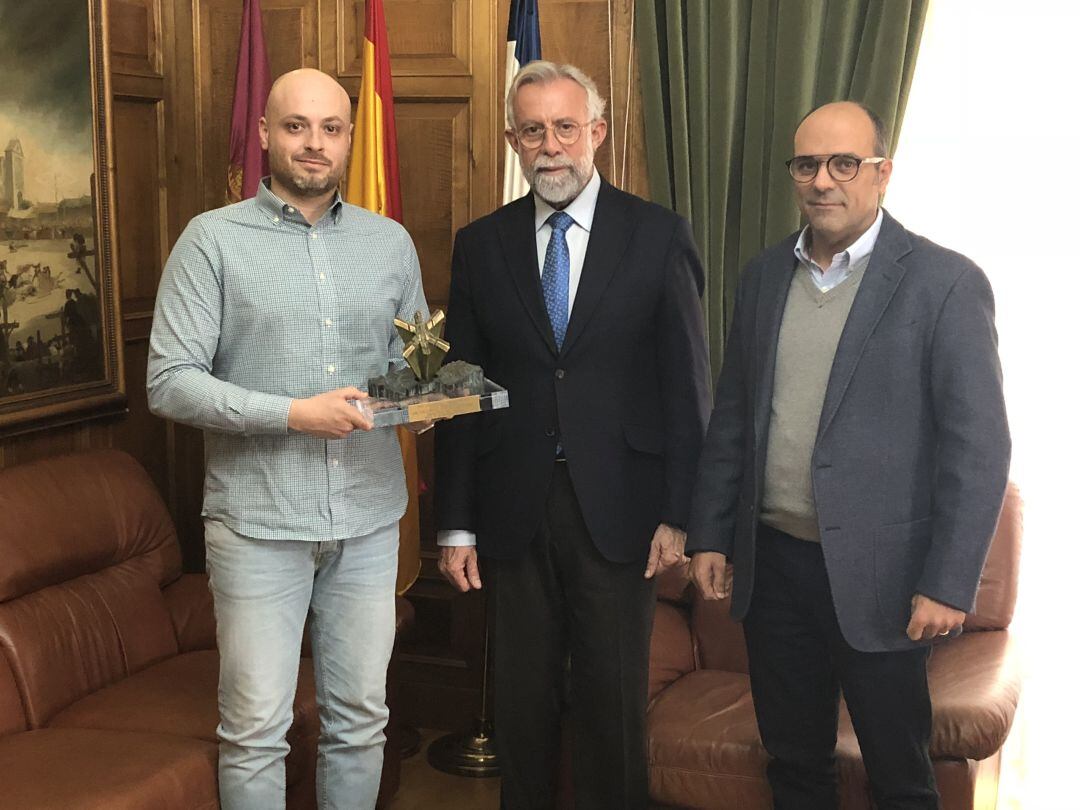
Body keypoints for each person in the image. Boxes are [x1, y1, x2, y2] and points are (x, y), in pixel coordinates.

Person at [686, 101, 1011, 809]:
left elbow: (979, 448)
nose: (823, 181)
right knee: (795, 763)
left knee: (900, 777)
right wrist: (710, 532)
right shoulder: (765, 276)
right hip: (775, 570)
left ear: (882, 174)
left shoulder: (945, 284)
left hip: (885, 583)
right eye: (807, 164)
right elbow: (735, 416)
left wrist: (949, 583)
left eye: (844, 164)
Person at [147, 68, 430, 810]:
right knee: (254, 730)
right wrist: (292, 413)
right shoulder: (210, 241)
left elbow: (409, 371)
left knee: (361, 722)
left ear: (347, 140)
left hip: (370, 519)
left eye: (331, 128)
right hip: (257, 522)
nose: (314, 143)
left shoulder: (390, 244)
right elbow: (169, 381)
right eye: (297, 126)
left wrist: (425, 403)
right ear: (265, 134)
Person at [434, 61, 711, 809]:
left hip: (623, 511)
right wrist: (455, 522)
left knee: (611, 707)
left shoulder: (657, 237)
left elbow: (689, 389)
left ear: (597, 132)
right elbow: (459, 393)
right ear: (511, 140)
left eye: (565, 127)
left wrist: (682, 514)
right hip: (512, 510)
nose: (550, 146)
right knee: (521, 708)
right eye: (533, 130)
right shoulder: (480, 244)